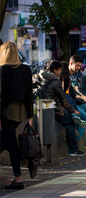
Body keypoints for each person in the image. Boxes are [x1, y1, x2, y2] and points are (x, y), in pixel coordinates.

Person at [0, 42, 35, 189]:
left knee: (11, 144)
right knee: (5, 141)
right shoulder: (26, 69)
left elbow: (1, 95)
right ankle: (26, 161)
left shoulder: (3, 69)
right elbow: (29, 94)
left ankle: (19, 178)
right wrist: (30, 116)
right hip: (20, 111)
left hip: (6, 111)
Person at [36, 60, 86, 156]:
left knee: (70, 117)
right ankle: (73, 149)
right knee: (70, 124)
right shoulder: (55, 81)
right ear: (54, 70)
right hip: (52, 108)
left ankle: (74, 118)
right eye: (59, 70)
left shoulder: (40, 75)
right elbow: (63, 99)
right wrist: (73, 110)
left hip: (40, 107)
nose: (60, 72)